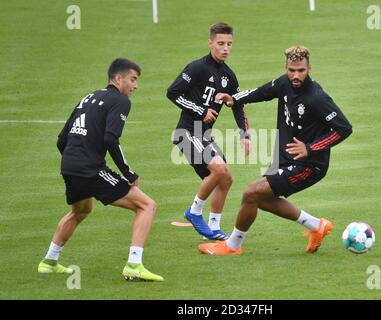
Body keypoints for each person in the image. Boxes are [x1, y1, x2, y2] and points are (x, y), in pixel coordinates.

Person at [199, 46, 353, 255]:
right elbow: (262, 92)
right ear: (286, 68)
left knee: (251, 193)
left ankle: (232, 246)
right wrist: (235, 98)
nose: (295, 75)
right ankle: (316, 226)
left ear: (309, 68)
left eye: (301, 70)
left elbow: (344, 128)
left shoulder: (316, 97)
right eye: (291, 70)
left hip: (309, 165)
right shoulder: (284, 83)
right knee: (260, 199)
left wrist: (310, 148)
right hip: (284, 157)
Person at [37, 58, 163, 281]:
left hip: (69, 165)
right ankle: (134, 264)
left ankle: (49, 261)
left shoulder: (88, 98)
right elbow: (111, 139)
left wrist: (74, 161)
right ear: (118, 78)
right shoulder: (121, 101)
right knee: (147, 205)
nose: (136, 86)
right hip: (89, 168)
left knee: (81, 210)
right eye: (132, 80)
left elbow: (61, 139)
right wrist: (129, 173)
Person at [167, 22, 251, 240]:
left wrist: (245, 134)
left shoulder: (229, 76)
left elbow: (238, 104)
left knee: (226, 179)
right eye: (221, 43)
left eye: (229, 44)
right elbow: (173, 92)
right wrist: (200, 110)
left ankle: (213, 229)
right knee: (220, 170)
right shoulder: (196, 68)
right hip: (187, 132)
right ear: (210, 43)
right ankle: (194, 212)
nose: (225, 48)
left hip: (203, 136)